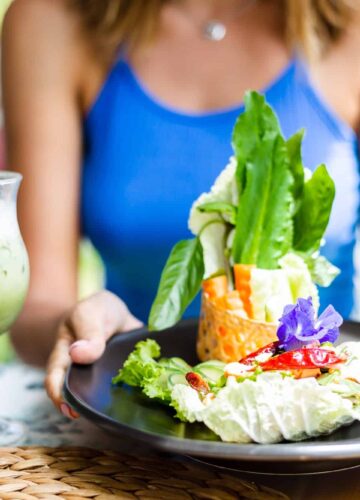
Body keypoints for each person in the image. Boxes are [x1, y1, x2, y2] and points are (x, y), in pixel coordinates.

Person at [2, 0, 360, 418]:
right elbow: (35, 309)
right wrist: (82, 330)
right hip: (134, 422)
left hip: (318, 424)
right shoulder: (51, 20)